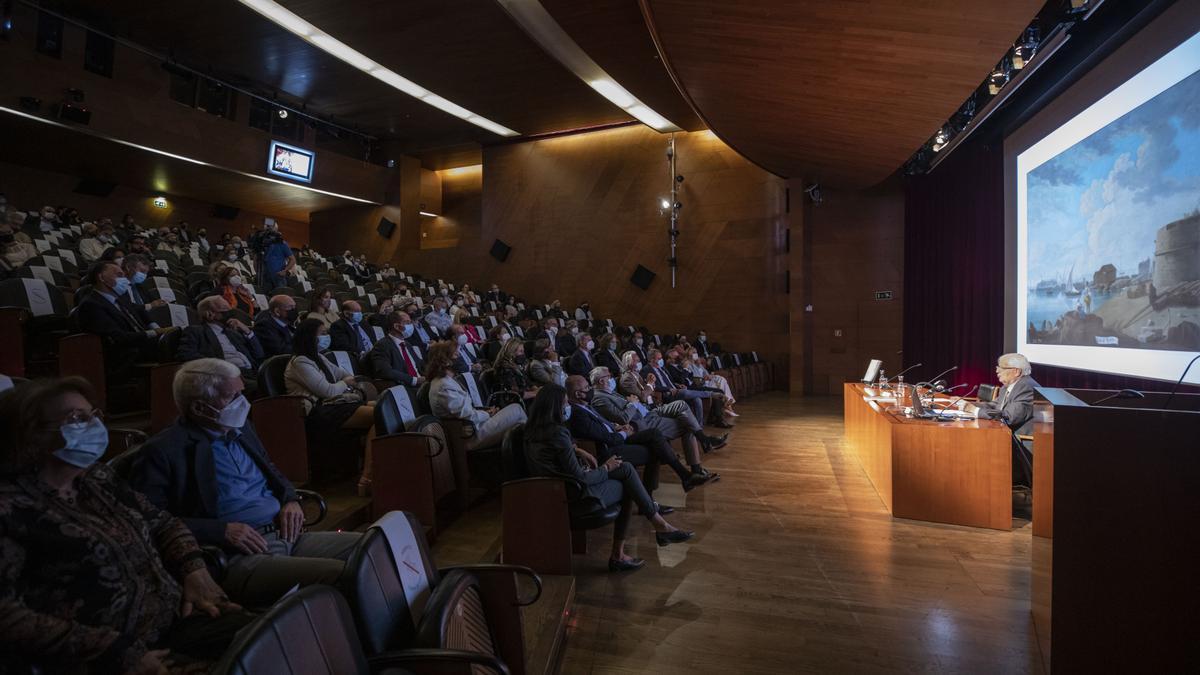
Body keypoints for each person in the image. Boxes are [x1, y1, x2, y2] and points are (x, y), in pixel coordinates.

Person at [0, 377, 247, 673]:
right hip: (107, 656)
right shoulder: (10, 508)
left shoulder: (97, 479)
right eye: (77, 419)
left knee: (278, 636)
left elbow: (164, 523)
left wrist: (194, 571)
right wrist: (114, 652)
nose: (93, 425)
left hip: (178, 618)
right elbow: (7, 617)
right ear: (32, 434)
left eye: (93, 415)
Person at [131, 359, 362, 606]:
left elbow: (271, 469)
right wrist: (221, 531)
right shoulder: (164, 451)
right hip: (235, 554)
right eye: (233, 397)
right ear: (199, 407)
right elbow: (148, 521)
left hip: (284, 533)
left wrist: (290, 499)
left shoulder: (240, 428)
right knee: (346, 576)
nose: (244, 403)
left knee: (375, 547)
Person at [524, 385, 693, 572]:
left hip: (554, 490)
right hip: (574, 494)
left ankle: (657, 527)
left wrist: (577, 449)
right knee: (628, 480)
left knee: (626, 469)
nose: (567, 408)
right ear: (555, 406)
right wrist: (606, 467)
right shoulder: (557, 433)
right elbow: (581, 478)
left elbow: (557, 454)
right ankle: (636, 542)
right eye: (564, 404)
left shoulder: (532, 430)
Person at [565, 375, 714, 495]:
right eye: (586, 388)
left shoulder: (586, 406)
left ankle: (686, 477)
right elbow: (603, 437)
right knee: (656, 448)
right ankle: (658, 495)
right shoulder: (580, 414)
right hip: (612, 447)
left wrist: (617, 427)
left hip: (624, 431)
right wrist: (623, 432)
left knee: (656, 435)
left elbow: (604, 425)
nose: (589, 389)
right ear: (578, 394)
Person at [284, 319, 377, 493]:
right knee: (378, 416)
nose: (327, 337)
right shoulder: (300, 362)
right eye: (322, 334)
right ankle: (367, 478)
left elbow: (344, 374)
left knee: (382, 407)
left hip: (333, 405)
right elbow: (328, 391)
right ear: (310, 337)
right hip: (319, 412)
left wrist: (345, 381)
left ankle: (371, 468)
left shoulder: (319, 357)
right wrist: (345, 383)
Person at [590, 365, 725, 469]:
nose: (612, 378)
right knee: (687, 422)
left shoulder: (610, 391)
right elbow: (624, 417)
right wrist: (633, 403)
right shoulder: (599, 398)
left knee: (681, 404)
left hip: (650, 410)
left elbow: (642, 398)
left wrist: (639, 398)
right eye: (609, 376)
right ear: (602, 380)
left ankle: (704, 440)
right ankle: (697, 466)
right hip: (642, 422)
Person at [76, 261, 171, 377]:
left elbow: (138, 310)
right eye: (119, 275)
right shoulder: (91, 305)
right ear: (101, 277)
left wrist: (155, 327)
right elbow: (117, 338)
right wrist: (155, 333)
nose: (125, 280)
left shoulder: (121, 297)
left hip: (143, 344)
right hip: (127, 354)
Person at [428, 340, 526, 450]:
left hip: (474, 427)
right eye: (456, 354)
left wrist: (485, 411)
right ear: (445, 361)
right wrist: (488, 414)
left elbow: (465, 411)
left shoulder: (446, 381)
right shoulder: (443, 386)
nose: (460, 357)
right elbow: (467, 416)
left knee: (517, 422)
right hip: (469, 435)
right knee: (516, 410)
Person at [963, 353, 1040, 487]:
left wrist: (975, 411)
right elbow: (995, 406)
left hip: (1020, 446)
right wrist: (966, 405)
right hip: (1008, 438)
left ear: (1016, 371)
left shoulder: (1027, 387)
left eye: (1001, 367)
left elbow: (1009, 417)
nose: (997, 370)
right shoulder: (1009, 386)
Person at [177, 296, 264, 392]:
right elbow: (186, 355)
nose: (230, 314)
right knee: (264, 388)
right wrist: (221, 368)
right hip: (224, 377)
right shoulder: (195, 331)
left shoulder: (233, 332)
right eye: (224, 311)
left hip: (252, 372)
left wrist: (247, 331)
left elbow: (259, 354)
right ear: (209, 314)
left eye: (230, 309)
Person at [368, 310, 426, 388]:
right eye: (407, 322)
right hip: (405, 386)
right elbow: (385, 371)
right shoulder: (382, 345)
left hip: (421, 384)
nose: (411, 325)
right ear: (397, 326)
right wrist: (414, 380)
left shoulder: (407, 344)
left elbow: (420, 364)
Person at [685, 347, 737, 416]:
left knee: (721, 378)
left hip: (707, 380)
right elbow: (694, 378)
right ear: (689, 354)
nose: (696, 354)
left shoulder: (698, 363)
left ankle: (726, 403)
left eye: (696, 352)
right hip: (701, 383)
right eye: (693, 352)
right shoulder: (688, 364)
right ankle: (727, 404)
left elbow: (706, 373)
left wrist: (709, 375)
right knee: (720, 381)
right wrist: (705, 377)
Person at [488, 337, 537, 403]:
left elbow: (527, 381)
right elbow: (515, 394)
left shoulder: (515, 364)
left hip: (526, 398)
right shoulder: (504, 368)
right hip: (516, 402)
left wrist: (536, 389)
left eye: (523, 351)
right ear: (512, 352)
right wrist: (535, 393)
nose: (523, 354)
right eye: (521, 351)